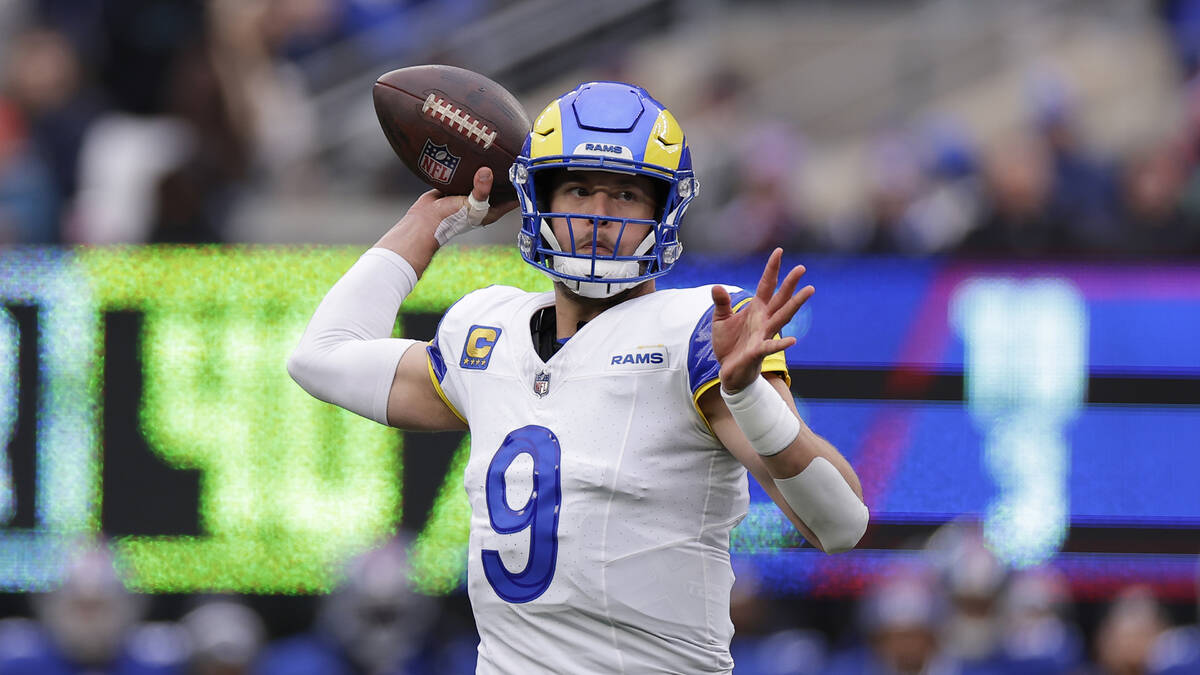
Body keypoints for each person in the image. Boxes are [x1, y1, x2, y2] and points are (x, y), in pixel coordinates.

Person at [288, 81, 869, 673]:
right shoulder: (487, 331)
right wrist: (433, 220)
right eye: (579, 189)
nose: (597, 216)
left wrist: (746, 397)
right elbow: (321, 357)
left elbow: (841, 525)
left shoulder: (695, 333)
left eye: (625, 195)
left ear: (663, 210)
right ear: (540, 196)